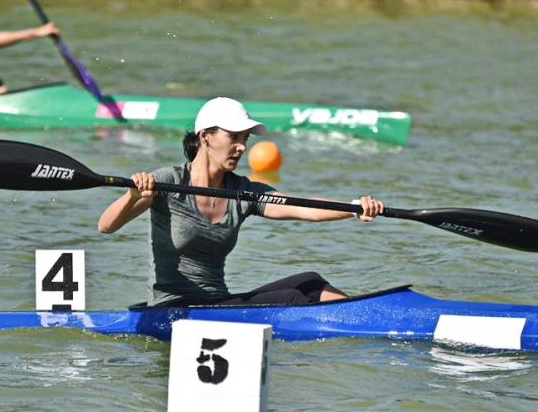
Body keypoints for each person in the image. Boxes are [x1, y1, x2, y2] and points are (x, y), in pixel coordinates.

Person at [98, 96, 385, 307]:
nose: (242, 147)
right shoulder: (167, 182)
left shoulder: (242, 192)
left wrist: (353, 208)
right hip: (173, 308)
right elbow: (106, 226)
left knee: (311, 282)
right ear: (206, 137)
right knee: (295, 297)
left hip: (218, 303)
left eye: (245, 138)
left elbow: (301, 206)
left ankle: (363, 326)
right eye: (233, 136)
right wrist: (132, 195)